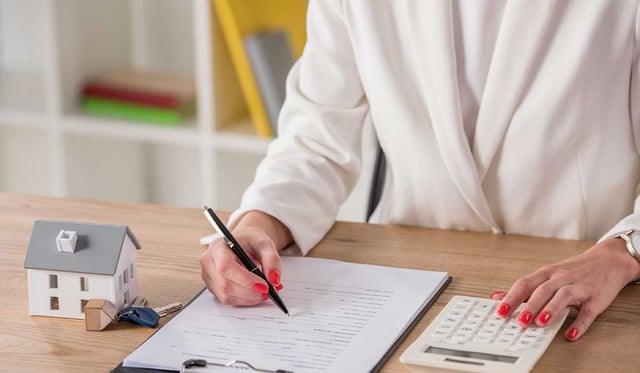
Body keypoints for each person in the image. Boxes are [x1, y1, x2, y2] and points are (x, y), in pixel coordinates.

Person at [201, 1, 640, 341]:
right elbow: (315, 141)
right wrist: (259, 224)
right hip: (405, 288)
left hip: (582, 292)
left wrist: (624, 252)